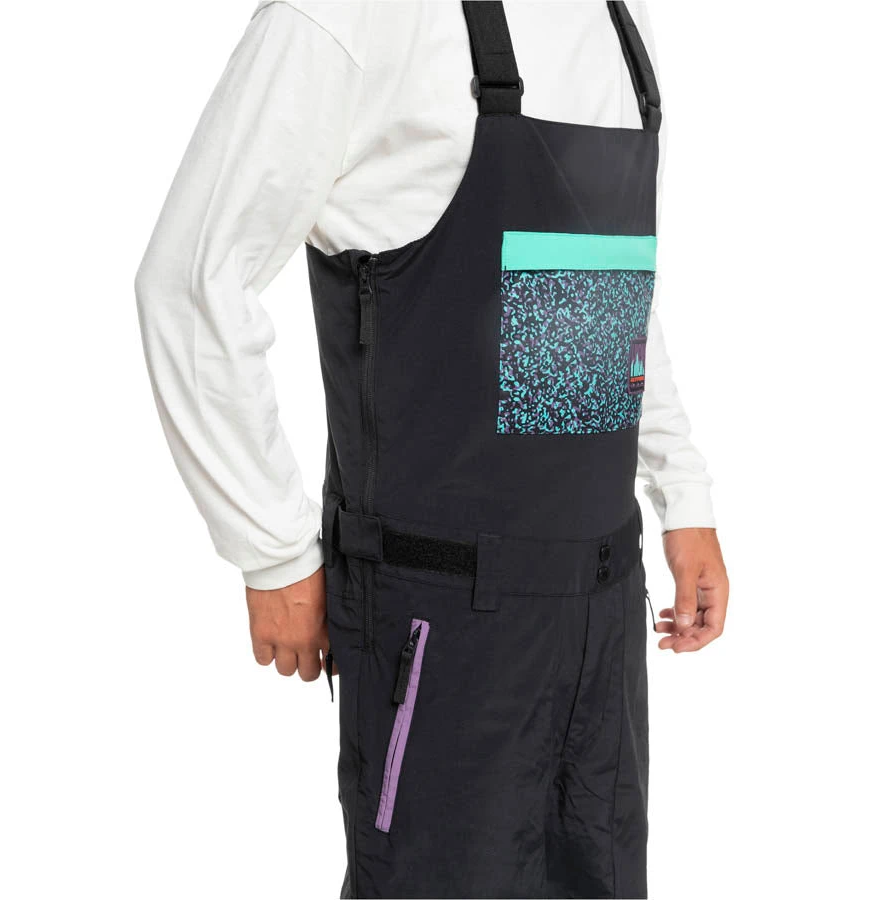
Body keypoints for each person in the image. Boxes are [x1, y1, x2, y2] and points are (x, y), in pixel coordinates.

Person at [135, 2, 730, 897]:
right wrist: (272, 549)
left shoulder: (617, 20)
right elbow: (189, 280)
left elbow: (601, 286)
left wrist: (682, 496)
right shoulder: (353, 15)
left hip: (603, 612)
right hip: (441, 620)